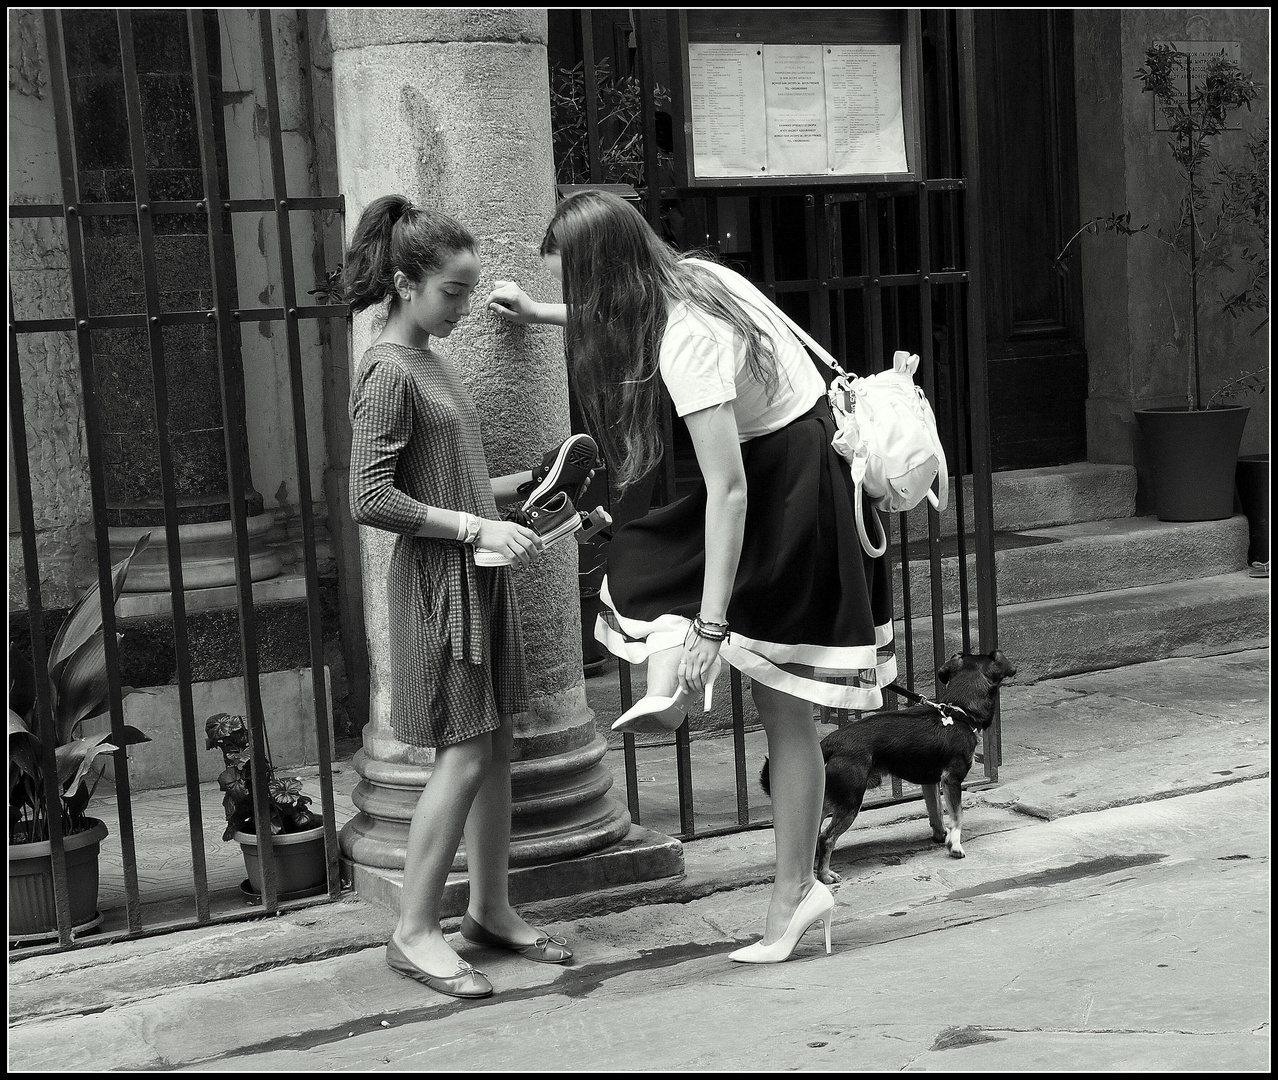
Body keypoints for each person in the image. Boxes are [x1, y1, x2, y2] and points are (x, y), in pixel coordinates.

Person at [485, 190, 895, 964]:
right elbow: (617, 311)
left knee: (768, 688)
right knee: (655, 577)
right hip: (797, 467)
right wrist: (542, 312)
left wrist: (713, 626)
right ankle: (678, 703)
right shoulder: (700, 276)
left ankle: (790, 889)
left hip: (785, 489)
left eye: (575, 279)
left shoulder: (686, 339)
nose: (576, 294)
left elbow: (729, 490)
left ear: (603, 274)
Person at [346, 194, 583, 999]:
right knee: (466, 749)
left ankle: (489, 909)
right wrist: (475, 529)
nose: (463, 305)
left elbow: (452, 481)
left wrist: (536, 488)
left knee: (496, 745)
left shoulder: (431, 361)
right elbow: (370, 498)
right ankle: (414, 930)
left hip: (471, 573)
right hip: (436, 585)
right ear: (407, 282)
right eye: (453, 290)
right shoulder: (386, 369)